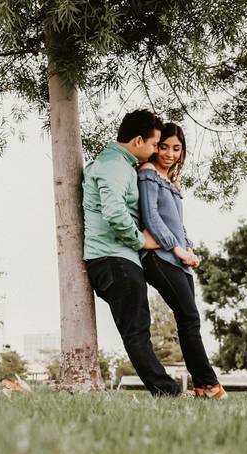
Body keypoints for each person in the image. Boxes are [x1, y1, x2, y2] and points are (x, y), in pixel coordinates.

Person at [82, 109, 181, 397]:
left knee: (138, 330)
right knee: (136, 332)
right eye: (154, 144)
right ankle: (167, 392)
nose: (155, 151)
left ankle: (167, 390)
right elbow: (114, 212)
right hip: (114, 259)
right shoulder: (114, 165)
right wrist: (141, 240)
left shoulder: (120, 164)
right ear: (138, 140)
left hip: (118, 259)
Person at [137, 122, 226, 399]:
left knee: (190, 321)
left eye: (176, 148)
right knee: (189, 317)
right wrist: (176, 249)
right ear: (156, 147)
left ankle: (201, 386)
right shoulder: (148, 173)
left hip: (178, 258)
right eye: (164, 146)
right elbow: (151, 217)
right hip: (159, 257)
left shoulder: (172, 182)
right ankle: (210, 384)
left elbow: (178, 223)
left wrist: (189, 248)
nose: (170, 153)